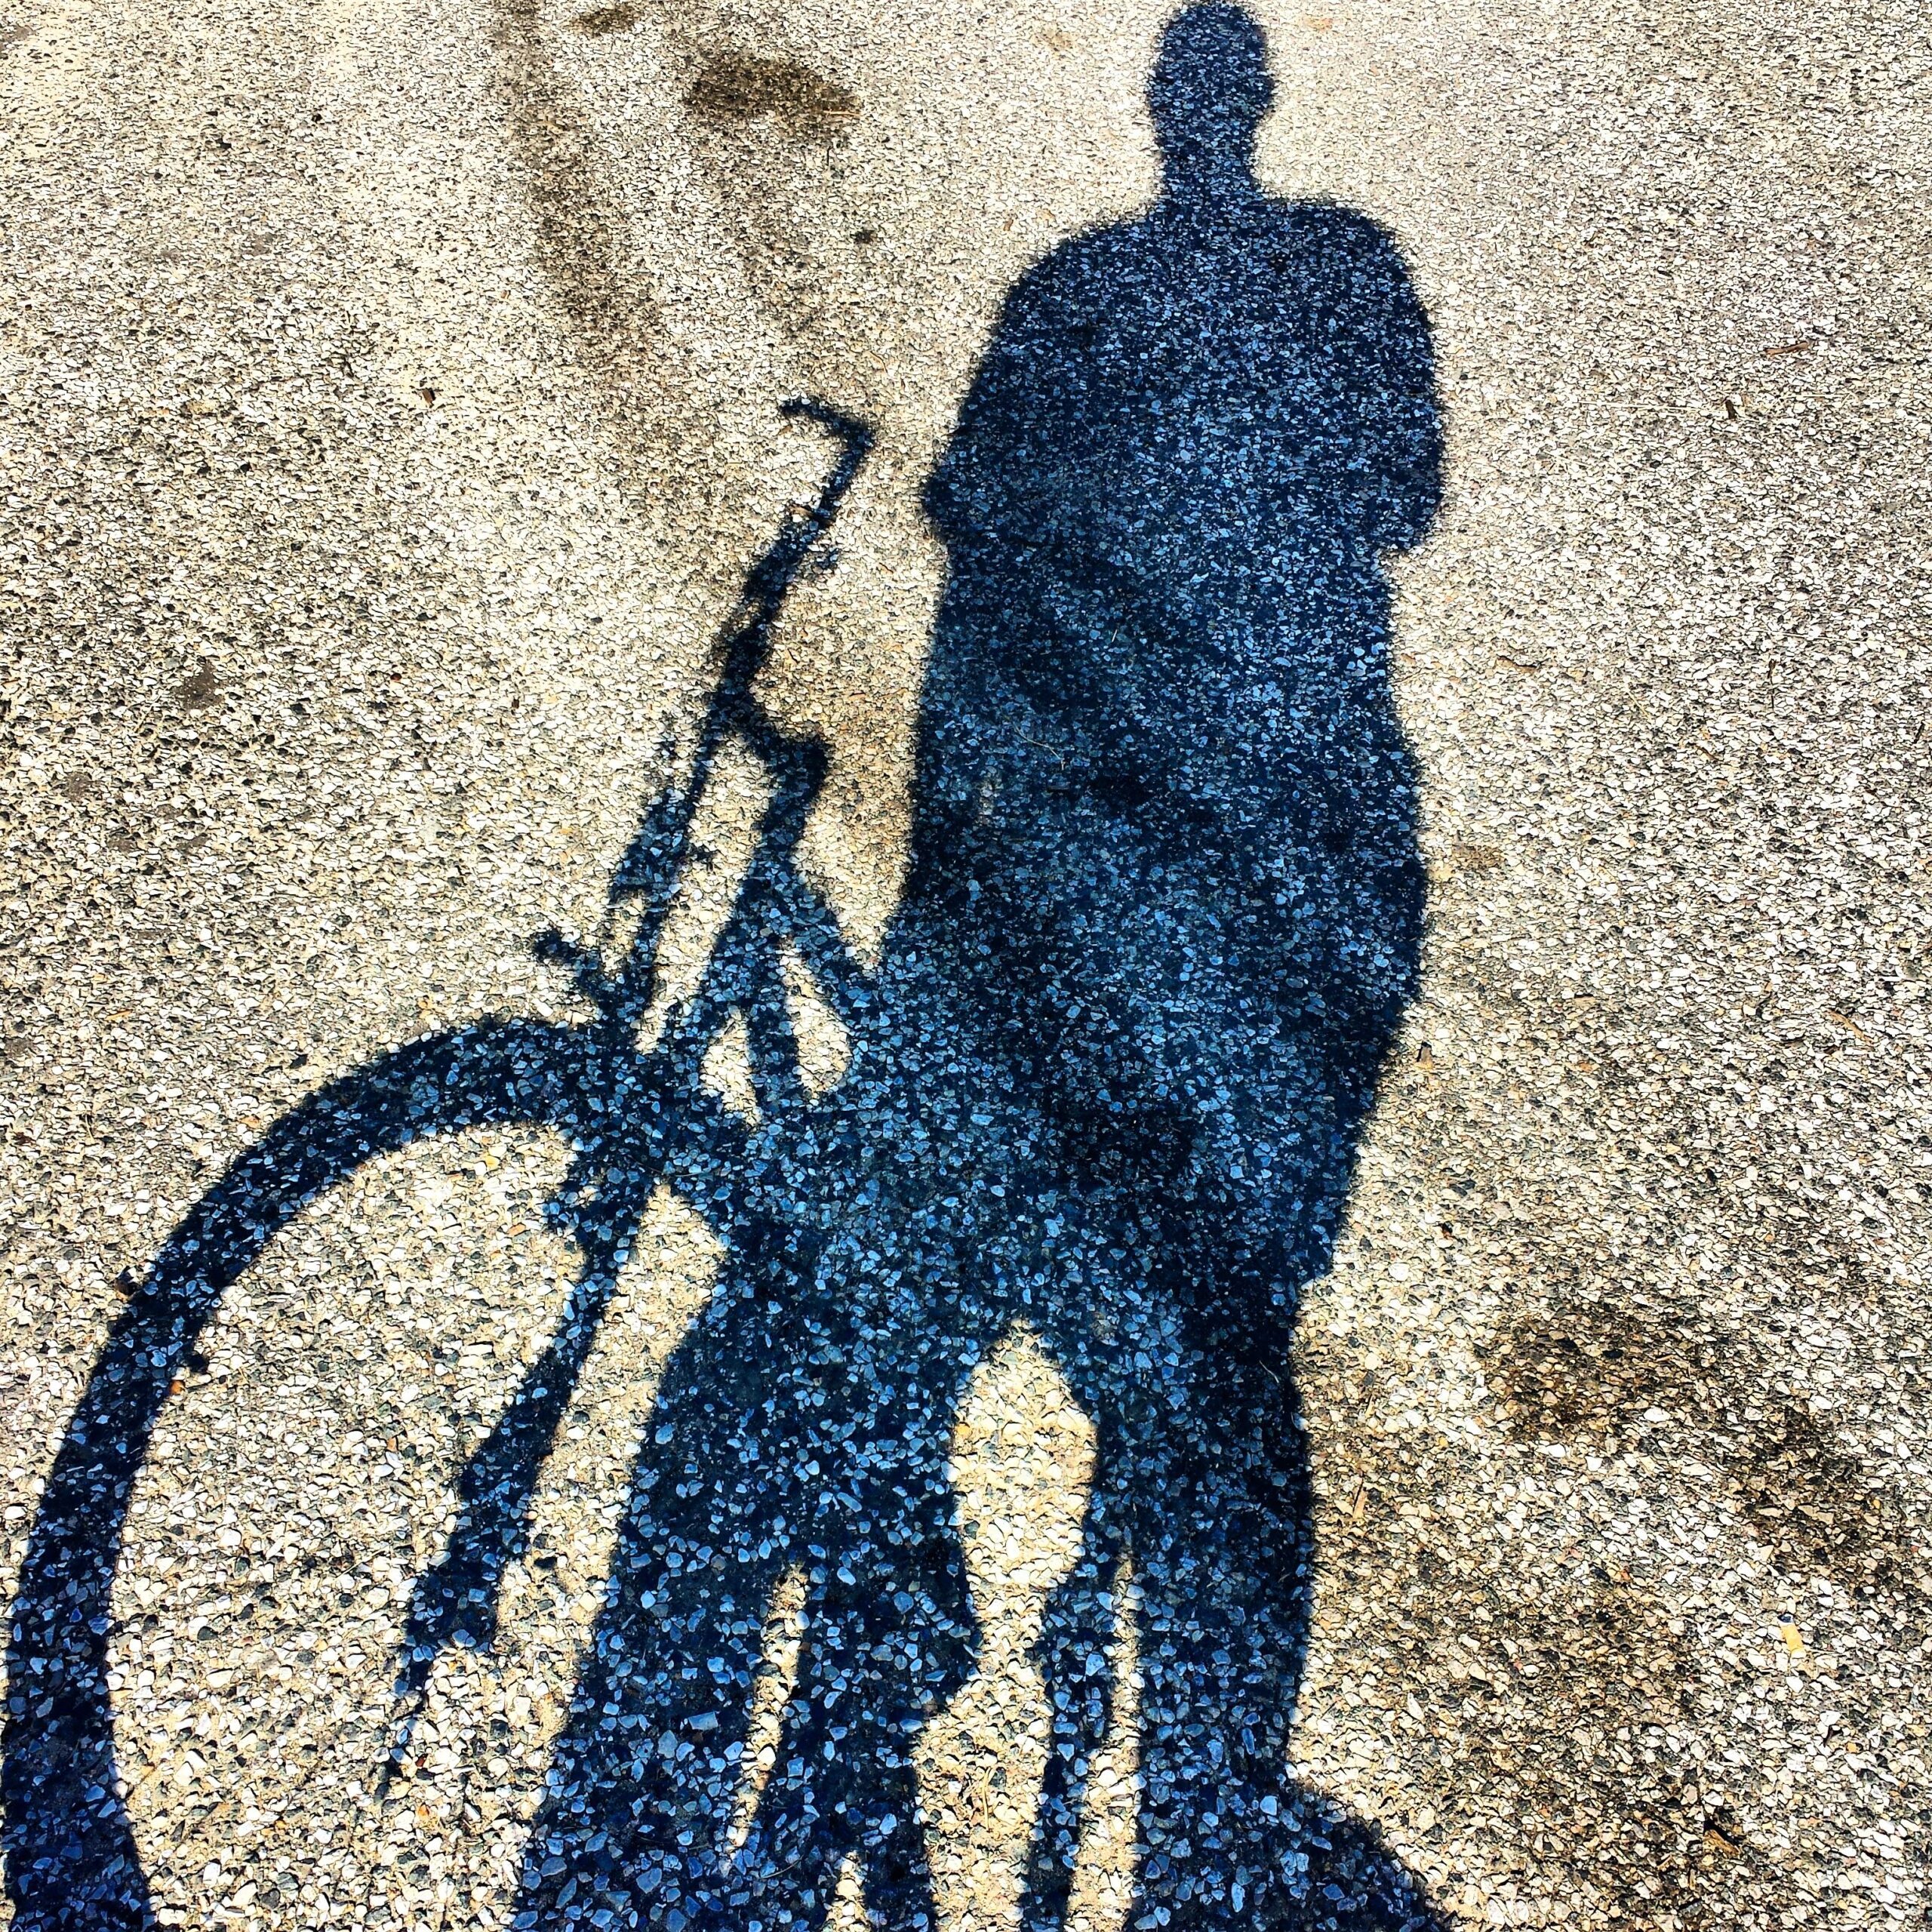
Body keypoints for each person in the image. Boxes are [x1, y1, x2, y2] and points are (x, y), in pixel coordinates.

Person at [515, 6, 1444, 1927]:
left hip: (1086, 820)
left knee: (894, 1252)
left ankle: (900, 1611)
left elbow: (974, 507)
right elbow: (1404, 494)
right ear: (1242, 107)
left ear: (1166, 106)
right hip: (1284, 813)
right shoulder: (1346, 266)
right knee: (1204, 1331)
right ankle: (1205, 1801)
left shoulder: (1076, 284)